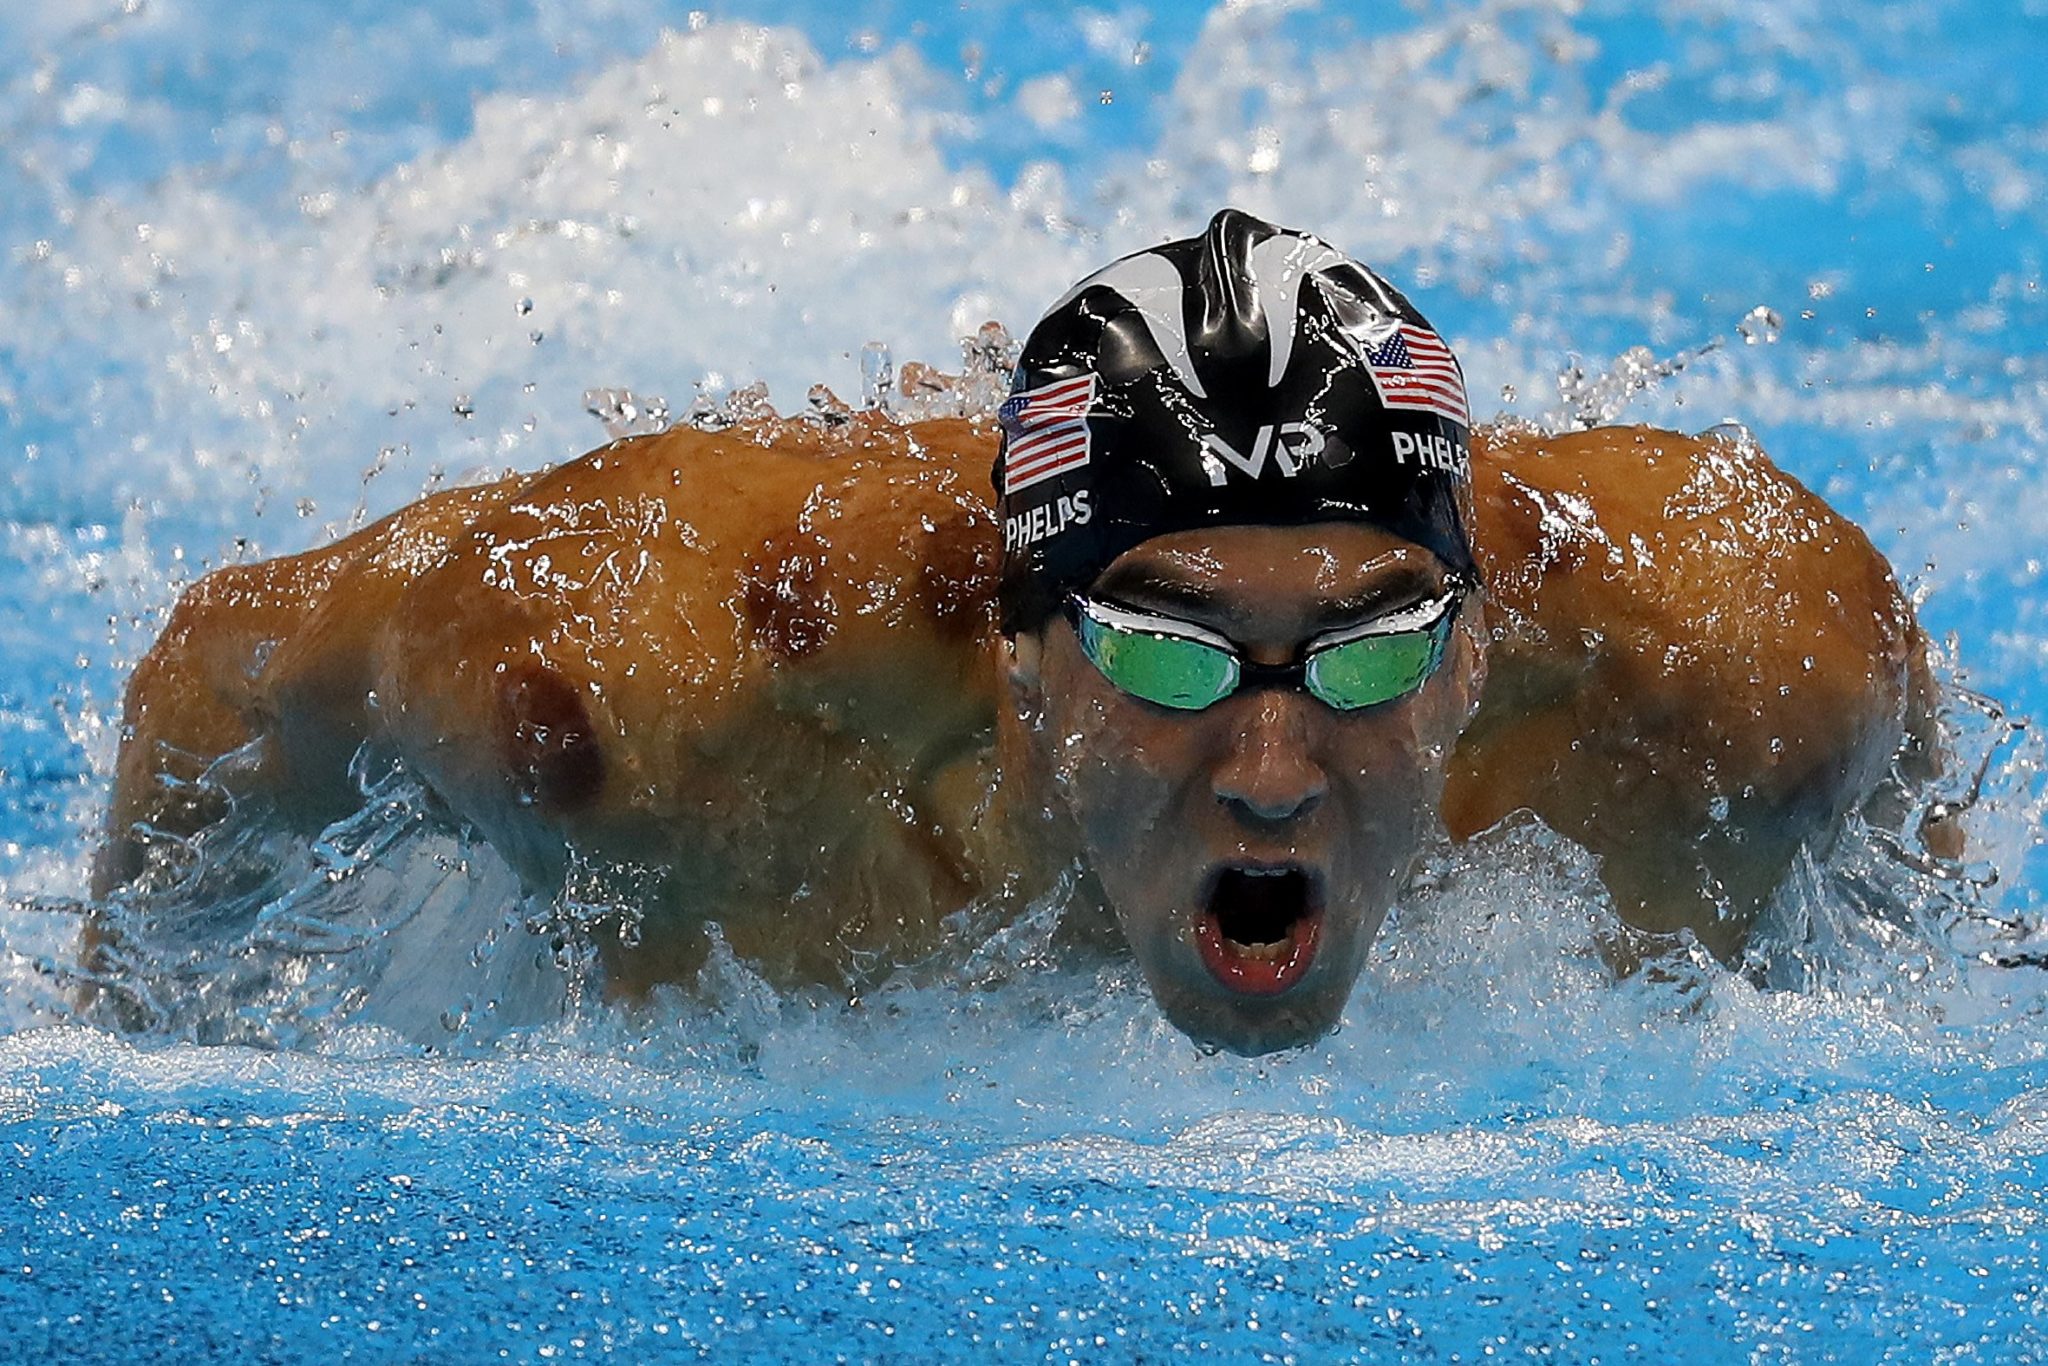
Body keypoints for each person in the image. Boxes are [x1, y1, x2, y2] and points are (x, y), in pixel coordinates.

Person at [90, 210, 1940, 1054]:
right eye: (1167, 649)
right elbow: (211, 670)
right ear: (1020, 642)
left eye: (1368, 652)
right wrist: (146, 1024)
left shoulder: (1741, 681)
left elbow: (1928, 873)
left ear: (1472, 647)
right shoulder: (622, 699)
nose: (1278, 771)